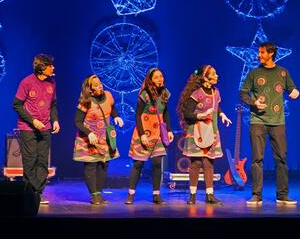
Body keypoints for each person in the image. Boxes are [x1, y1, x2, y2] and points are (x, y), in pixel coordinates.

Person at [240, 42, 299, 205]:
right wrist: (253, 102)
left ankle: (282, 195)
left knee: (281, 158)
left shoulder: (283, 72)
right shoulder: (253, 73)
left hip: (278, 122)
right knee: (257, 159)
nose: (259, 55)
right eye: (259, 52)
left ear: (271, 53)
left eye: (262, 52)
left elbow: (293, 89)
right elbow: (243, 93)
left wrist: (295, 93)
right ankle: (256, 195)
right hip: (257, 121)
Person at [177, 65, 232, 205]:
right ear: (205, 77)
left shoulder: (216, 92)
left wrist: (222, 115)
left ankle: (209, 195)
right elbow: (187, 114)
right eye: (214, 74)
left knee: (208, 163)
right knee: (195, 163)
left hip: (211, 131)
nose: (217, 76)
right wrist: (202, 115)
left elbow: (216, 107)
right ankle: (193, 196)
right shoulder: (197, 94)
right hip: (197, 131)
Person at [13, 54, 60, 205]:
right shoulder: (27, 82)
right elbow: (17, 105)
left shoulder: (51, 82)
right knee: (30, 160)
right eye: (50, 65)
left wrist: (55, 120)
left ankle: (38, 193)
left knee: (42, 161)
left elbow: (53, 104)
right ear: (42, 67)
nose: (53, 67)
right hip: (28, 128)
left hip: (45, 128)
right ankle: (30, 193)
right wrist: (33, 121)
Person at [125, 68, 174, 205]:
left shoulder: (165, 93)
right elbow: (138, 115)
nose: (160, 79)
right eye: (157, 77)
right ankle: (130, 195)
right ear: (150, 79)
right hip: (144, 131)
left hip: (158, 132)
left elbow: (165, 114)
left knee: (158, 163)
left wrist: (169, 130)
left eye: (161, 76)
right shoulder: (145, 94)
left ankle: (156, 195)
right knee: (138, 163)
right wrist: (142, 135)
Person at [73, 74, 124, 205]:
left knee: (104, 164)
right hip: (89, 139)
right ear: (89, 89)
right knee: (91, 165)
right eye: (96, 85)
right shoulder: (85, 101)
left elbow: (112, 108)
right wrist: (89, 133)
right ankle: (94, 195)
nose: (100, 86)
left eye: (100, 83)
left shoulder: (108, 95)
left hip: (104, 137)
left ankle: (99, 194)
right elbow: (78, 122)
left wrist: (116, 116)